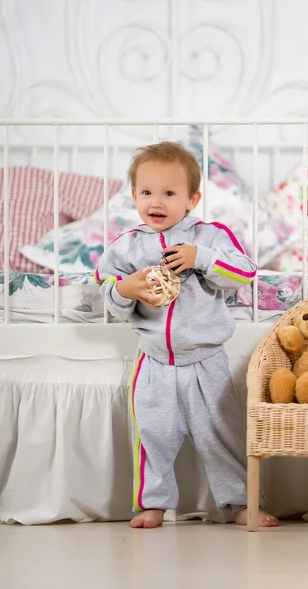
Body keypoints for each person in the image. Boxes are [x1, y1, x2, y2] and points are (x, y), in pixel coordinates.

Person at [95, 141, 278, 529]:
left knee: (221, 435)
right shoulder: (127, 245)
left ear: (192, 199)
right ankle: (154, 504)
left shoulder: (209, 236)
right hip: (154, 361)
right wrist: (124, 290)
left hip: (206, 358)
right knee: (151, 436)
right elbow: (105, 289)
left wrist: (201, 259)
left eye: (169, 193)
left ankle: (240, 503)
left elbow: (244, 273)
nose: (155, 201)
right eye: (146, 192)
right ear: (133, 195)